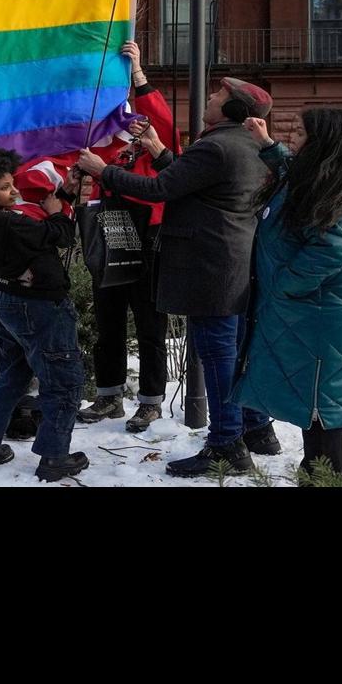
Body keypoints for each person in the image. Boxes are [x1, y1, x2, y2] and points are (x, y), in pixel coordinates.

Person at [77, 75, 280, 477]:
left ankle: (226, 443)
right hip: (233, 263)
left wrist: (103, 171)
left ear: (233, 108)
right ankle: (257, 429)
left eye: (218, 94)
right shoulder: (245, 143)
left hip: (211, 266)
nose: (210, 97)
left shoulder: (216, 146)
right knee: (238, 349)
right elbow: (196, 184)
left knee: (218, 355)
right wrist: (157, 148)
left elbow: (161, 190)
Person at [236, 109, 342, 483]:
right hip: (329, 308)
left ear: (324, 142)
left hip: (326, 311)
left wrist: (285, 286)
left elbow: (330, 250)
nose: (295, 139)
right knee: (340, 402)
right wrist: (268, 145)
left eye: (302, 134)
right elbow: (295, 170)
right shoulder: (330, 176)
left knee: (322, 406)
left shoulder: (340, 190)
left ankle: (326, 477)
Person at [0, 147, 88, 482]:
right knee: (63, 380)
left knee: (11, 375)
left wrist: (63, 194)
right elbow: (58, 235)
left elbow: (37, 233)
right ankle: (54, 457)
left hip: (3, 298)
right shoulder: (8, 222)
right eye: (5, 188)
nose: (14, 191)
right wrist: (58, 211)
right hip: (37, 306)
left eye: (12, 183)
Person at [75, 39, 176, 433]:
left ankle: (150, 401)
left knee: (151, 326)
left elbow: (162, 122)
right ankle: (109, 395)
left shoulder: (154, 142)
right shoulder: (105, 143)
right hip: (110, 234)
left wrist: (137, 73)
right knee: (108, 321)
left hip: (149, 237)